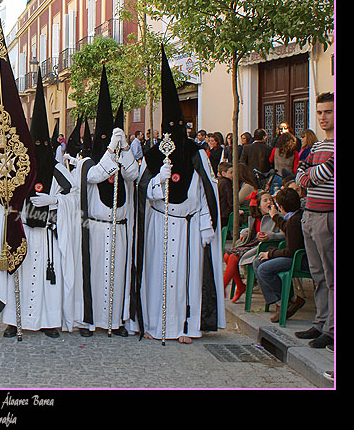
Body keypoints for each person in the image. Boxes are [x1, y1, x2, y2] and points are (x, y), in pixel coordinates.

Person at [134, 47, 225, 344]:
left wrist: (204, 226)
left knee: (186, 280)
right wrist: (159, 181)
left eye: (178, 126)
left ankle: (187, 327)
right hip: (159, 223)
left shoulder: (197, 154)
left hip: (186, 226)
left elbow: (205, 193)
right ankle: (154, 325)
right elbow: (144, 192)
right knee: (157, 277)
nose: (173, 131)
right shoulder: (152, 155)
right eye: (169, 127)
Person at [0, 70, 77, 339]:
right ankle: (14, 321)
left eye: (43, 144)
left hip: (49, 234)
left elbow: (74, 197)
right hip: (25, 233)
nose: (39, 148)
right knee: (22, 276)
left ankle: (50, 322)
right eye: (35, 143)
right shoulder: (21, 169)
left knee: (48, 280)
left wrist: (56, 201)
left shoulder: (58, 169)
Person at [71, 66, 139, 338]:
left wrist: (124, 151)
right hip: (96, 228)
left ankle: (117, 320)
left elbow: (133, 175)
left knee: (118, 275)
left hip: (119, 226)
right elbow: (96, 176)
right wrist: (110, 150)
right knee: (95, 275)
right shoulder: (88, 162)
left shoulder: (122, 160)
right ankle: (90, 321)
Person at [294, 92, 334, 351]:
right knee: (317, 274)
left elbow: (321, 173)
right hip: (309, 214)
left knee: (331, 276)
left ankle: (331, 329)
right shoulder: (317, 146)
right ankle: (320, 322)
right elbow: (300, 172)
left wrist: (307, 176)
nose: (323, 117)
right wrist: (307, 176)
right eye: (319, 112)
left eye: (328, 112)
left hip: (327, 217)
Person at [251, 187, 306, 323]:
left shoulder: (295, 220)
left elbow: (291, 251)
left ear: (281, 207)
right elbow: (287, 228)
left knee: (264, 269)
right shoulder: (293, 218)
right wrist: (275, 216)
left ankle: (284, 302)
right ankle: (285, 301)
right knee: (257, 262)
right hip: (293, 255)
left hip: (299, 259)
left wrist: (270, 254)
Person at [223, 190, 284, 303]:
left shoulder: (277, 217)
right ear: (259, 206)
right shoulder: (254, 218)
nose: (269, 202)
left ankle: (222, 287)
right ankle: (240, 286)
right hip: (252, 244)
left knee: (233, 257)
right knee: (227, 255)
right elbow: (253, 230)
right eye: (265, 200)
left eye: (270, 200)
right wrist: (245, 232)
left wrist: (270, 236)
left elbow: (284, 234)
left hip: (265, 247)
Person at [217, 162, 233, 229]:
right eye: (231, 172)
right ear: (224, 173)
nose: (233, 174)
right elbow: (230, 199)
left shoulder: (219, 181)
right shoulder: (226, 183)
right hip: (225, 212)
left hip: (221, 211)